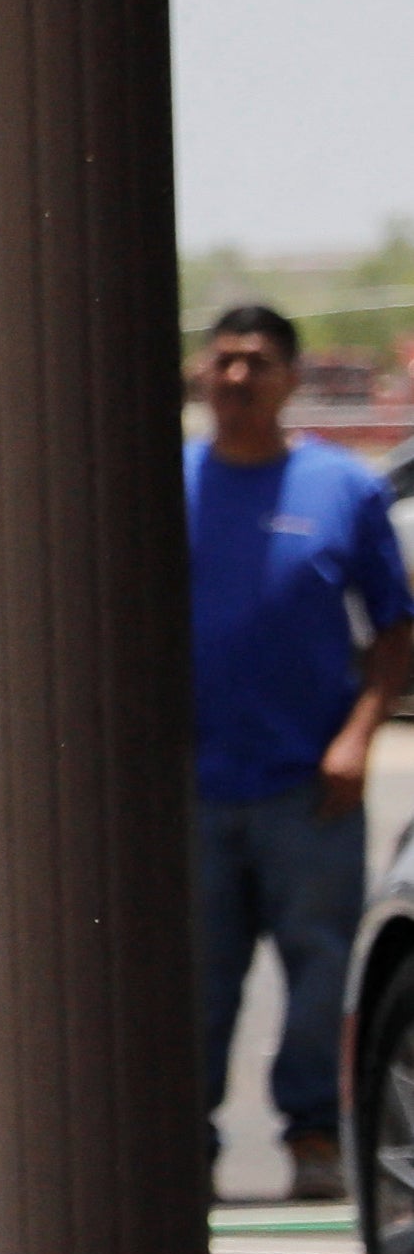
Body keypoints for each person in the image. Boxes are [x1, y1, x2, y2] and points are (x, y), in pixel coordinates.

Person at [185, 303, 408, 1204]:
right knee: (195, 983)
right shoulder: (160, 482)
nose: (239, 378)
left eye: (259, 362)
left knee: (322, 976)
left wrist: (358, 737)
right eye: (225, 361)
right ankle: (182, 1141)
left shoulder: (342, 489)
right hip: (192, 791)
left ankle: (315, 1135)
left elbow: (394, 629)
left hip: (310, 789)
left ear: (290, 378)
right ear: (201, 374)